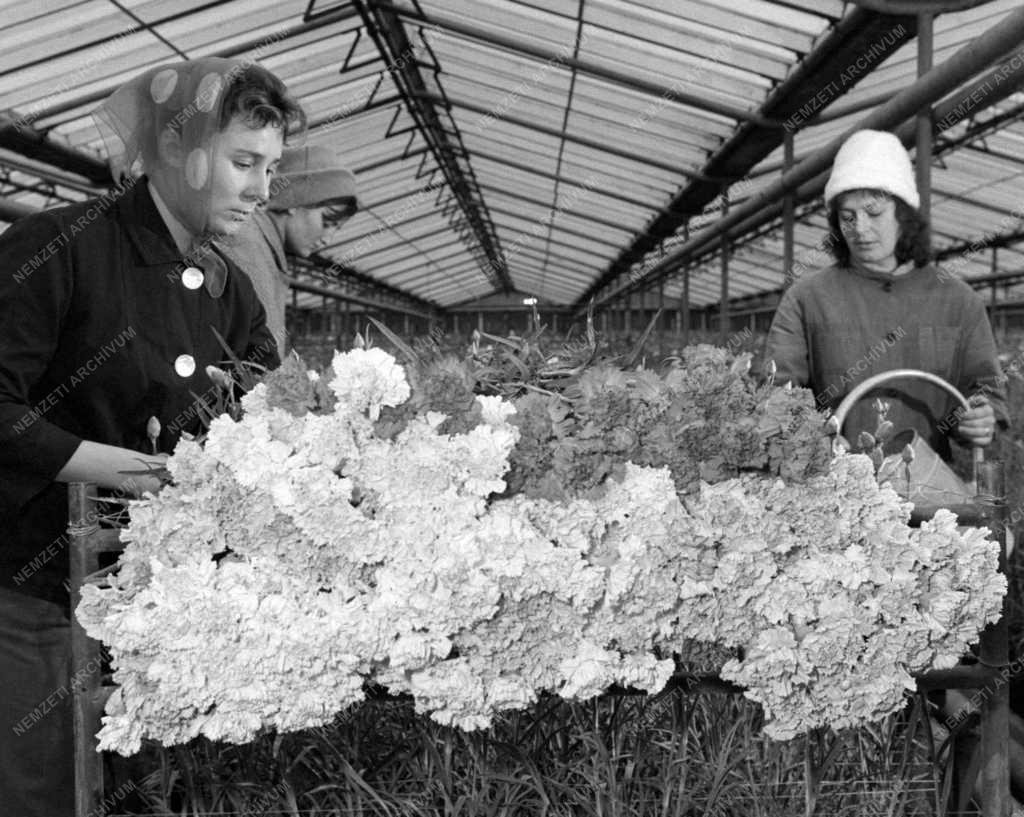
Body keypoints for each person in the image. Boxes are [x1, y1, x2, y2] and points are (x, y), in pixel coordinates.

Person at [0, 57, 305, 816]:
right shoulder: (60, 250)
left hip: (151, 602)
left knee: (137, 789)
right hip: (29, 588)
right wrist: (129, 469)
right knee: (42, 785)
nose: (263, 191)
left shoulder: (227, 292)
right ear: (178, 149)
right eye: (244, 163)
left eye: (271, 168)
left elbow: (264, 417)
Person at [765, 129, 1006, 462]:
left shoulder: (958, 301)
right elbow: (777, 393)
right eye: (847, 217)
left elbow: (985, 390)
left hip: (932, 496)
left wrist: (980, 417)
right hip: (836, 492)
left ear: (904, 215)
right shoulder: (808, 298)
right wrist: (809, 438)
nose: (859, 229)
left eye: (873, 213)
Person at [218, 144, 358, 357]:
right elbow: (257, 367)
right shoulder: (247, 247)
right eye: (327, 221)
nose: (327, 240)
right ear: (294, 201)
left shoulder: (263, 246)